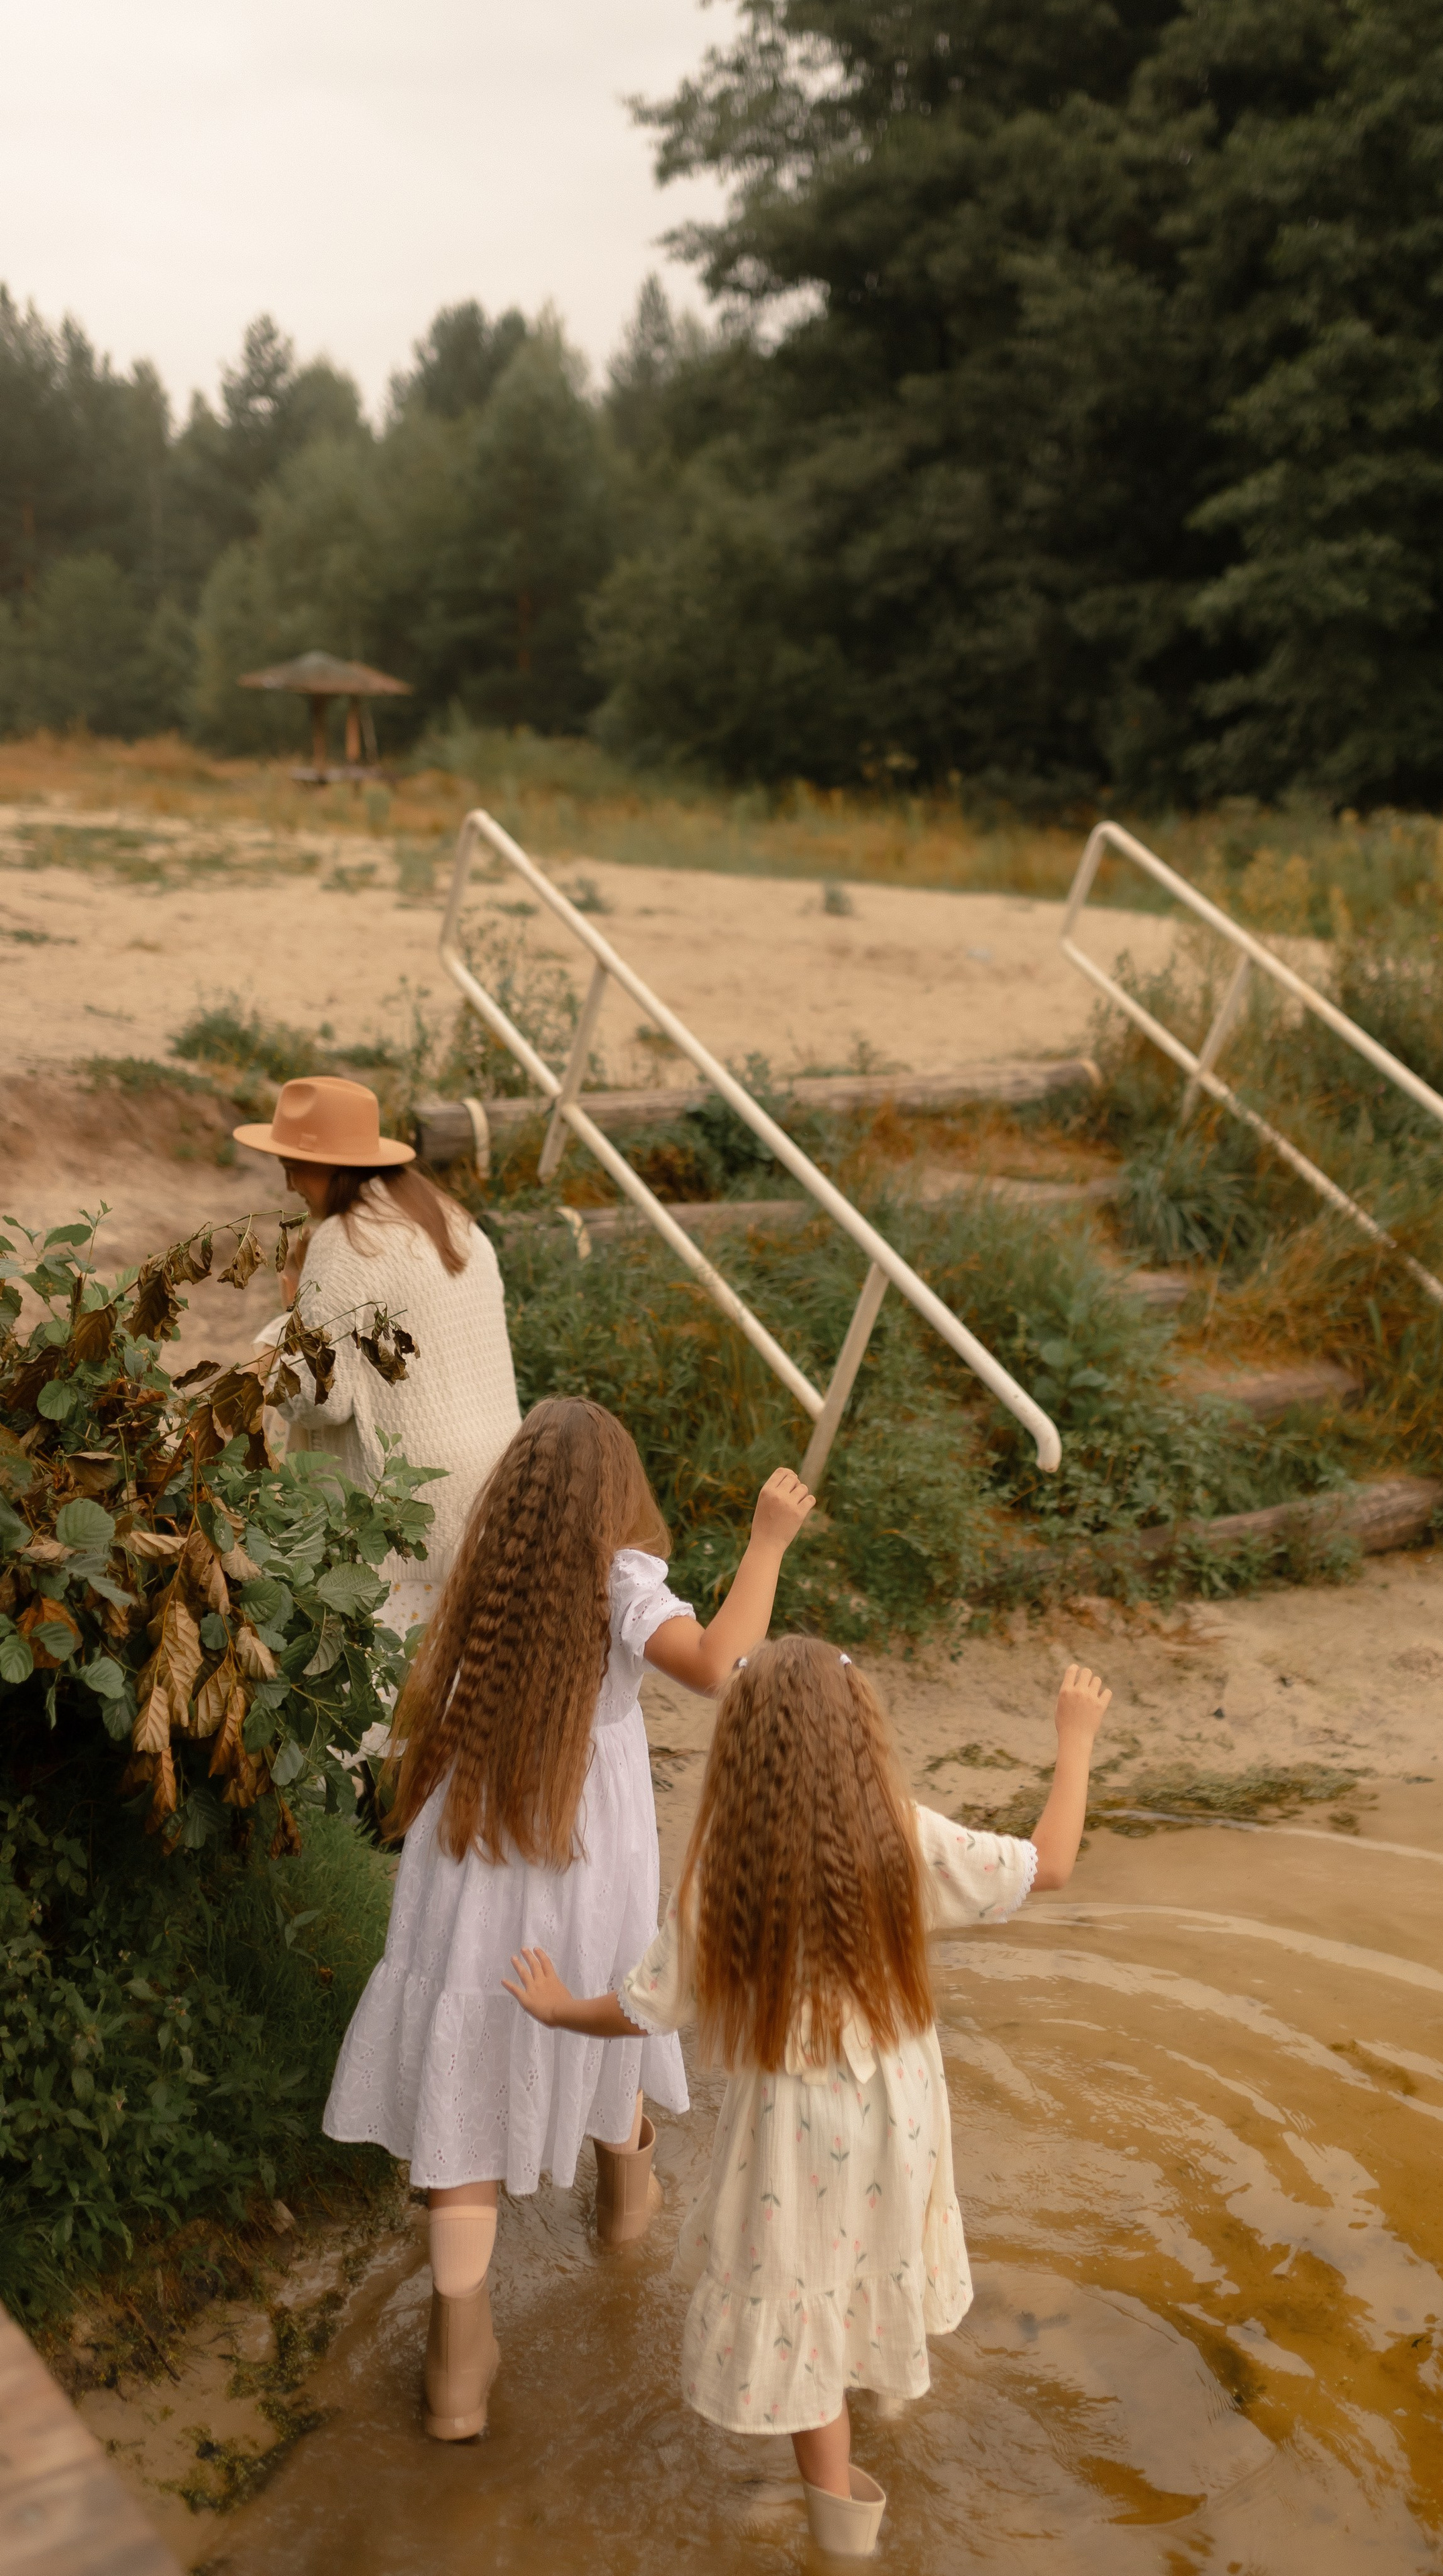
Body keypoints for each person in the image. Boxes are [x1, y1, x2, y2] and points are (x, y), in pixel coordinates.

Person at [504, 1638, 1112, 2559]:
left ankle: (843, 2540)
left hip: (795, 2129)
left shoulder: (726, 1870)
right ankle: (890, 2396)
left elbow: (644, 2009)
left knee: (800, 2300)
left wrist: (558, 2008)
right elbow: (1050, 1864)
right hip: (903, 2107)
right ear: (860, 1732)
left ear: (741, 1750)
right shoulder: (904, 1834)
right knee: (880, 2248)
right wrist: (1075, 1738)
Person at [323, 1398, 816, 2442]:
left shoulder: (489, 1570)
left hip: (473, 1850)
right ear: (617, 1497)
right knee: (608, 2002)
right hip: (582, 1857)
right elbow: (719, 1666)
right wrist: (768, 1543)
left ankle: (458, 2363)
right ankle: (626, 2212)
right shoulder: (622, 1578)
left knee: (467, 2070)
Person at [234, 1074, 520, 1632]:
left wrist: (274, 1338)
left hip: (402, 1509)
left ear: (333, 1166)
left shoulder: (346, 1239)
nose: (288, 1180)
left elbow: (318, 1399)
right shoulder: (453, 1220)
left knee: (387, 1678)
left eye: (293, 1164)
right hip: (496, 1486)